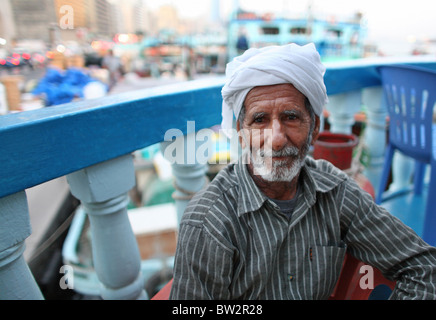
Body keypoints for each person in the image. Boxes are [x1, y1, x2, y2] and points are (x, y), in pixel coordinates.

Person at [169, 43, 436, 300]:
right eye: (259, 120)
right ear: (241, 132)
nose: (276, 138)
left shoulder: (335, 191)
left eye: (291, 117)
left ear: (314, 127)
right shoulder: (209, 220)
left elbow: (424, 266)